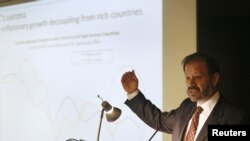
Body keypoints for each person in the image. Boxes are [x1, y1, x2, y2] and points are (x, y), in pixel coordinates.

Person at [121, 52, 249, 141]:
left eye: (197, 77)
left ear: (214, 79)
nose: (191, 83)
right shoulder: (186, 107)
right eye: (187, 77)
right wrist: (133, 92)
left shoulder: (235, 119)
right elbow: (158, 120)